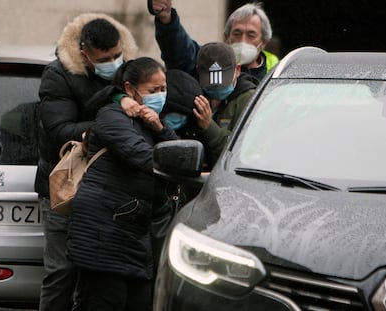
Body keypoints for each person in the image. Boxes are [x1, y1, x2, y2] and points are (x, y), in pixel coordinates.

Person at [35, 13, 137, 311]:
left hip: (107, 189)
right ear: (85, 54)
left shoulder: (126, 70)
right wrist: (109, 125)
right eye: (105, 58)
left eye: (117, 55)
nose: (114, 62)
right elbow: (57, 132)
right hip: (65, 190)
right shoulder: (59, 74)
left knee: (94, 279)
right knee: (61, 273)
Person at [67, 57, 178, 311]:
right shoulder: (111, 116)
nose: (160, 96)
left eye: (163, 89)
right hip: (103, 235)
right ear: (130, 89)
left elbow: (175, 149)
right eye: (153, 91)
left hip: (134, 236)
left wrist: (160, 128)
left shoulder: (149, 122)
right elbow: (142, 155)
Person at [151, 1, 279, 82]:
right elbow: (182, 52)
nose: (243, 40)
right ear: (226, 37)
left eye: (251, 35)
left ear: (264, 42)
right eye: (237, 33)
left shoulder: (276, 73)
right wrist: (167, 19)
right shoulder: (210, 61)